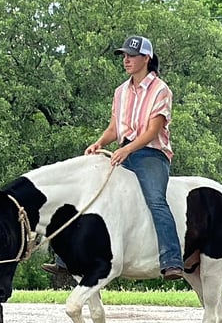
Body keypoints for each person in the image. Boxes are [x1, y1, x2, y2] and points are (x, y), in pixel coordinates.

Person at [43, 35, 185, 281]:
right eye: (124, 56)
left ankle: (172, 260)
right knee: (88, 191)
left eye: (131, 56)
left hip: (151, 153)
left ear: (146, 58)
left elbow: (153, 131)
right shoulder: (121, 91)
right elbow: (114, 128)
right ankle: (65, 258)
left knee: (156, 199)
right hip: (124, 150)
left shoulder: (161, 90)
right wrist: (99, 142)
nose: (126, 60)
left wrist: (127, 150)